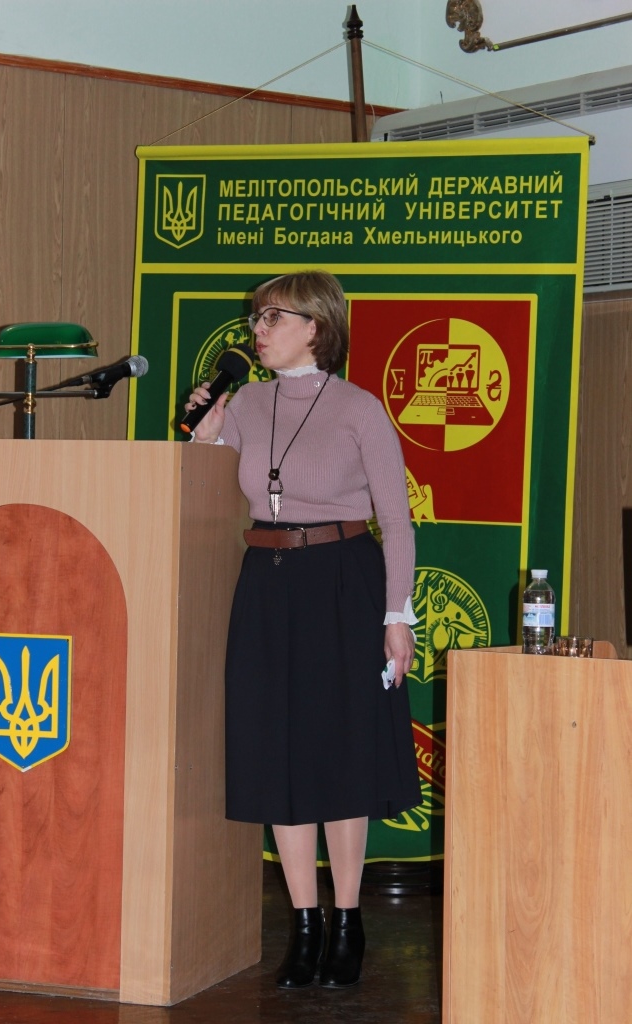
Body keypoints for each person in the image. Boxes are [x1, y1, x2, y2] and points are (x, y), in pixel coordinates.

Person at [185, 270, 421, 990]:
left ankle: (347, 920)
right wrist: (205, 430)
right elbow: (206, 488)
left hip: (343, 582)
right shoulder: (246, 403)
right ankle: (305, 922)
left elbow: (396, 519)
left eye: (273, 318)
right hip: (267, 581)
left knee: (337, 751)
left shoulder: (358, 409)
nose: (257, 330)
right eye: (256, 319)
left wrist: (397, 615)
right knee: (276, 751)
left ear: (316, 326)